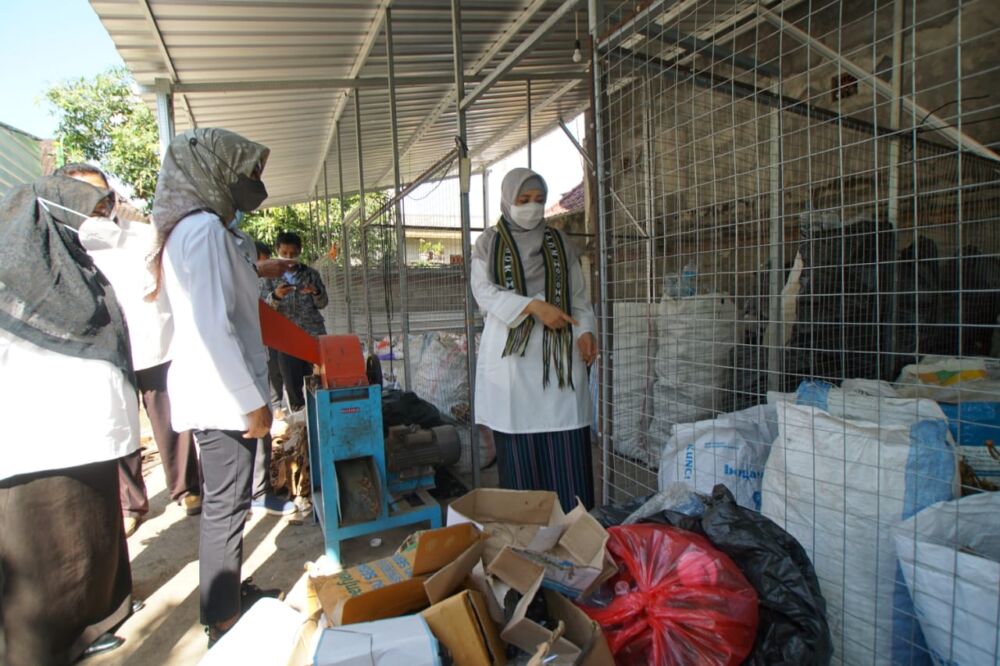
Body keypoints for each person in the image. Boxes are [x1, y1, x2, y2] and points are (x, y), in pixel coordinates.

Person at [0, 175, 138, 664]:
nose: (102, 223)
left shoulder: (73, 271)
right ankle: (39, 651)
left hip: (85, 438)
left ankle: (87, 625)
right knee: (43, 564)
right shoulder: (18, 284)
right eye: (93, 213)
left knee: (89, 544)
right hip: (38, 444)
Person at [147, 127, 276, 644]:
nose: (254, 184)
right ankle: (222, 618)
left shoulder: (205, 229)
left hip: (220, 387)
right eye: (249, 173)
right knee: (227, 505)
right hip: (222, 392)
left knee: (231, 502)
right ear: (218, 171)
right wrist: (251, 403)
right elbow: (209, 325)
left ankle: (227, 598)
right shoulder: (200, 230)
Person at [57, 163, 202, 537]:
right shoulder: (65, 245)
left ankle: (185, 488)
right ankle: (130, 502)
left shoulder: (143, 236)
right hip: (104, 351)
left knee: (172, 421)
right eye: (83, 195)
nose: (96, 203)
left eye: (101, 193)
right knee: (118, 425)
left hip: (156, 341)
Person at [471, 168, 598, 512]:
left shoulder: (560, 243)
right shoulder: (489, 243)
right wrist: (532, 307)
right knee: (522, 465)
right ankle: (526, 549)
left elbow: (580, 298)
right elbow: (483, 293)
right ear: (508, 200)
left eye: (539, 200)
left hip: (560, 365)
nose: (532, 207)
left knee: (567, 460)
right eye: (523, 200)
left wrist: (586, 330)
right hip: (514, 365)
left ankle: (577, 540)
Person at [251, 240, 297, 516]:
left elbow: (321, 301)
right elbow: (262, 314)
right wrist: (277, 297)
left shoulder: (305, 273)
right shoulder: (254, 282)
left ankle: (256, 490)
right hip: (274, 344)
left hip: (295, 338)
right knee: (260, 419)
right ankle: (255, 492)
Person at [261, 231, 329, 412]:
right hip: (287, 339)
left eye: (292, 254)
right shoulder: (269, 277)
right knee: (293, 385)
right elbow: (264, 310)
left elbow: (323, 303)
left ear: (299, 251)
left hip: (313, 335)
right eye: (284, 254)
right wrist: (276, 296)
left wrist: (315, 292)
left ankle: (322, 416)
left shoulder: (311, 274)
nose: (289, 258)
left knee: (321, 381)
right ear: (277, 251)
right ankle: (301, 421)